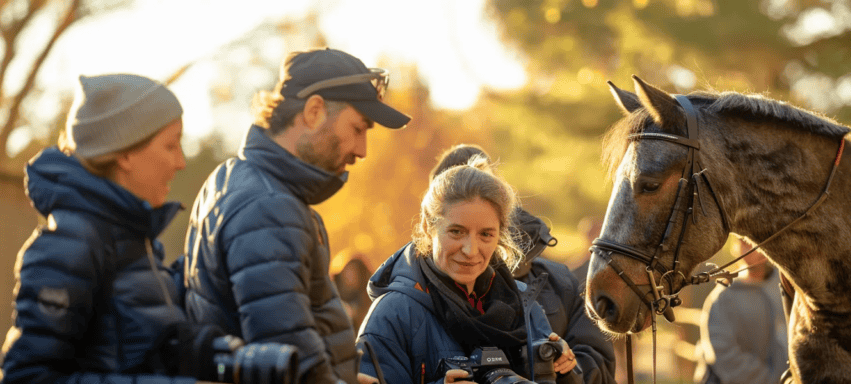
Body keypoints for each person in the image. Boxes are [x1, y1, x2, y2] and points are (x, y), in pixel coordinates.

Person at [183, 47, 411, 384]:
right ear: (314, 110)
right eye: (358, 128)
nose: (362, 150)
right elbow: (288, 359)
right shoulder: (269, 207)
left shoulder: (233, 177)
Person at [1, 74, 207, 382]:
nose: (180, 162)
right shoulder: (70, 246)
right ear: (125, 152)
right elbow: (27, 377)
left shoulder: (136, 242)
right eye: (170, 146)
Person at [357, 156, 578, 384]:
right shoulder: (393, 315)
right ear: (427, 226)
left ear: (500, 234)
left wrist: (564, 371)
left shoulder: (525, 307)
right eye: (456, 231)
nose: (471, 250)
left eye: (485, 234)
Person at [428, 144, 615, 384]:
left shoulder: (558, 282)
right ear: (431, 219)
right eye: (456, 226)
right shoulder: (409, 291)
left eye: (482, 191)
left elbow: (600, 368)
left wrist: (558, 367)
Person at [694, 238, 788, 384]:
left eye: (759, 240)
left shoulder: (785, 289)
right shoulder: (723, 298)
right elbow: (724, 354)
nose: (753, 248)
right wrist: (768, 380)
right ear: (736, 247)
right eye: (745, 242)